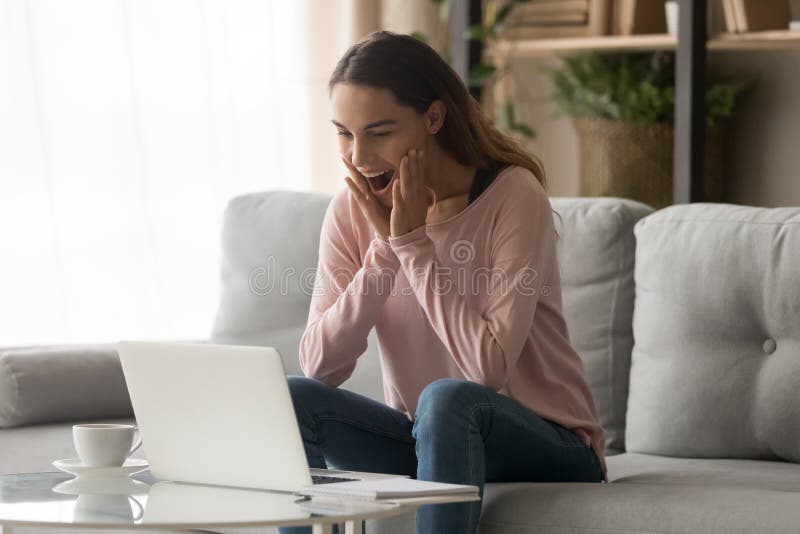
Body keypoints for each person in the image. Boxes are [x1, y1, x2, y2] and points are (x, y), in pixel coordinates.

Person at [283, 31, 606, 534]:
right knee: (292, 398)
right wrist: (386, 250)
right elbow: (320, 367)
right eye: (345, 134)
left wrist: (412, 244)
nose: (360, 157)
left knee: (446, 398)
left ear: (433, 118)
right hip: (430, 439)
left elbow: (486, 371)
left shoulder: (512, 197)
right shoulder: (351, 211)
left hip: (551, 441)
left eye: (380, 132)